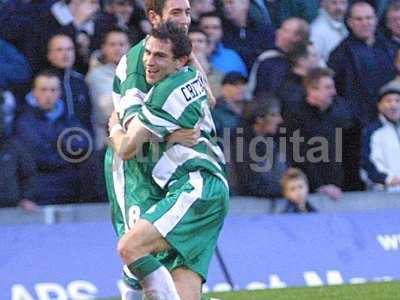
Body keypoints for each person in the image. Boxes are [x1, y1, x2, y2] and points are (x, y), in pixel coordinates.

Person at [109, 23, 228, 300]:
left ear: (180, 61)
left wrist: (114, 126)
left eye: (160, 56)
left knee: (130, 248)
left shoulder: (165, 94)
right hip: (210, 191)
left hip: (195, 188)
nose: (149, 62)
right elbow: (209, 99)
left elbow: (126, 148)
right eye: (148, 53)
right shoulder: (191, 77)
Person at [15, 70, 89, 205]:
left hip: (71, 187)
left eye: (53, 90)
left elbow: (82, 148)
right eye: (43, 90)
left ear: (60, 93)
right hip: (39, 189)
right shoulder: (24, 121)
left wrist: (55, 144)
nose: (48, 95)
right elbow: (36, 155)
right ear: (34, 92)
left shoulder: (71, 119)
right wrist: (63, 146)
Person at [285, 67, 352, 199]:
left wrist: (337, 184)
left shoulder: (337, 113)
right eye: (328, 87)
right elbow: (299, 154)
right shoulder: (295, 115)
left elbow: (342, 153)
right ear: (312, 90)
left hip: (337, 189)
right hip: (306, 191)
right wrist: (319, 185)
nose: (334, 92)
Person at [234, 94, 287, 198]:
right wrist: (285, 191)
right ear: (259, 118)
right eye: (274, 115)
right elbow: (249, 184)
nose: (280, 120)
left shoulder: (273, 142)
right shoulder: (238, 145)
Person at [86, 29, 130, 151]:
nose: (117, 48)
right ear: (104, 48)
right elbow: (105, 109)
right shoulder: (95, 76)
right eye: (112, 44)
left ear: (129, 47)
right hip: (105, 140)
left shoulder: (139, 74)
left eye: (121, 44)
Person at [247, 17, 310, 98]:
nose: (277, 32)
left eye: (285, 31)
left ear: (297, 38)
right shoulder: (267, 59)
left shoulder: (310, 61)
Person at [362, 89, 400, 190]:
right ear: (379, 106)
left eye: (397, 101)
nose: (393, 105)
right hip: (384, 192)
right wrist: (388, 179)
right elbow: (368, 162)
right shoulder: (372, 132)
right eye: (388, 101)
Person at [198, 12, 248, 76]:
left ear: (222, 31)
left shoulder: (232, 58)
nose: (210, 32)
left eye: (215, 28)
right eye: (206, 27)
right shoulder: (189, 55)